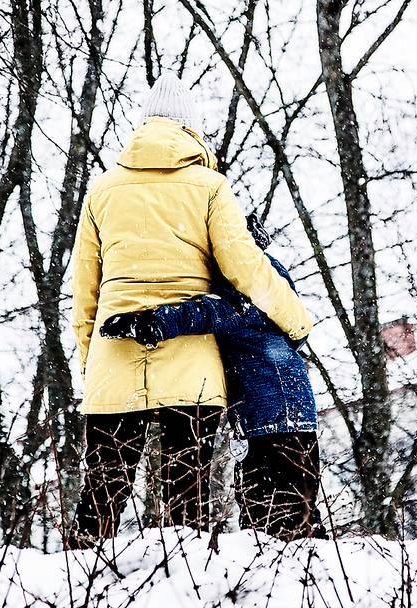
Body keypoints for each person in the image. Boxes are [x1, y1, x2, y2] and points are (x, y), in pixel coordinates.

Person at [70, 72, 312, 542]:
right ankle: (187, 584)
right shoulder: (209, 186)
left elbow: (86, 293)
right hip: (191, 359)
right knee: (188, 493)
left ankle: (79, 578)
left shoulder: (102, 190)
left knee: (103, 488)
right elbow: (246, 268)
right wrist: (296, 321)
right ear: (192, 131)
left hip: (113, 354)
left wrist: (91, 363)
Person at [101, 216, 325, 540]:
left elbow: (206, 312)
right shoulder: (263, 277)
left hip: (277, 415)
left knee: (279, 513)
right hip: (276, 414)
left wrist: (150, 322)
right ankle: (296, 569)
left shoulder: (249, 282)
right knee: (275, 507)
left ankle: (298, 572)